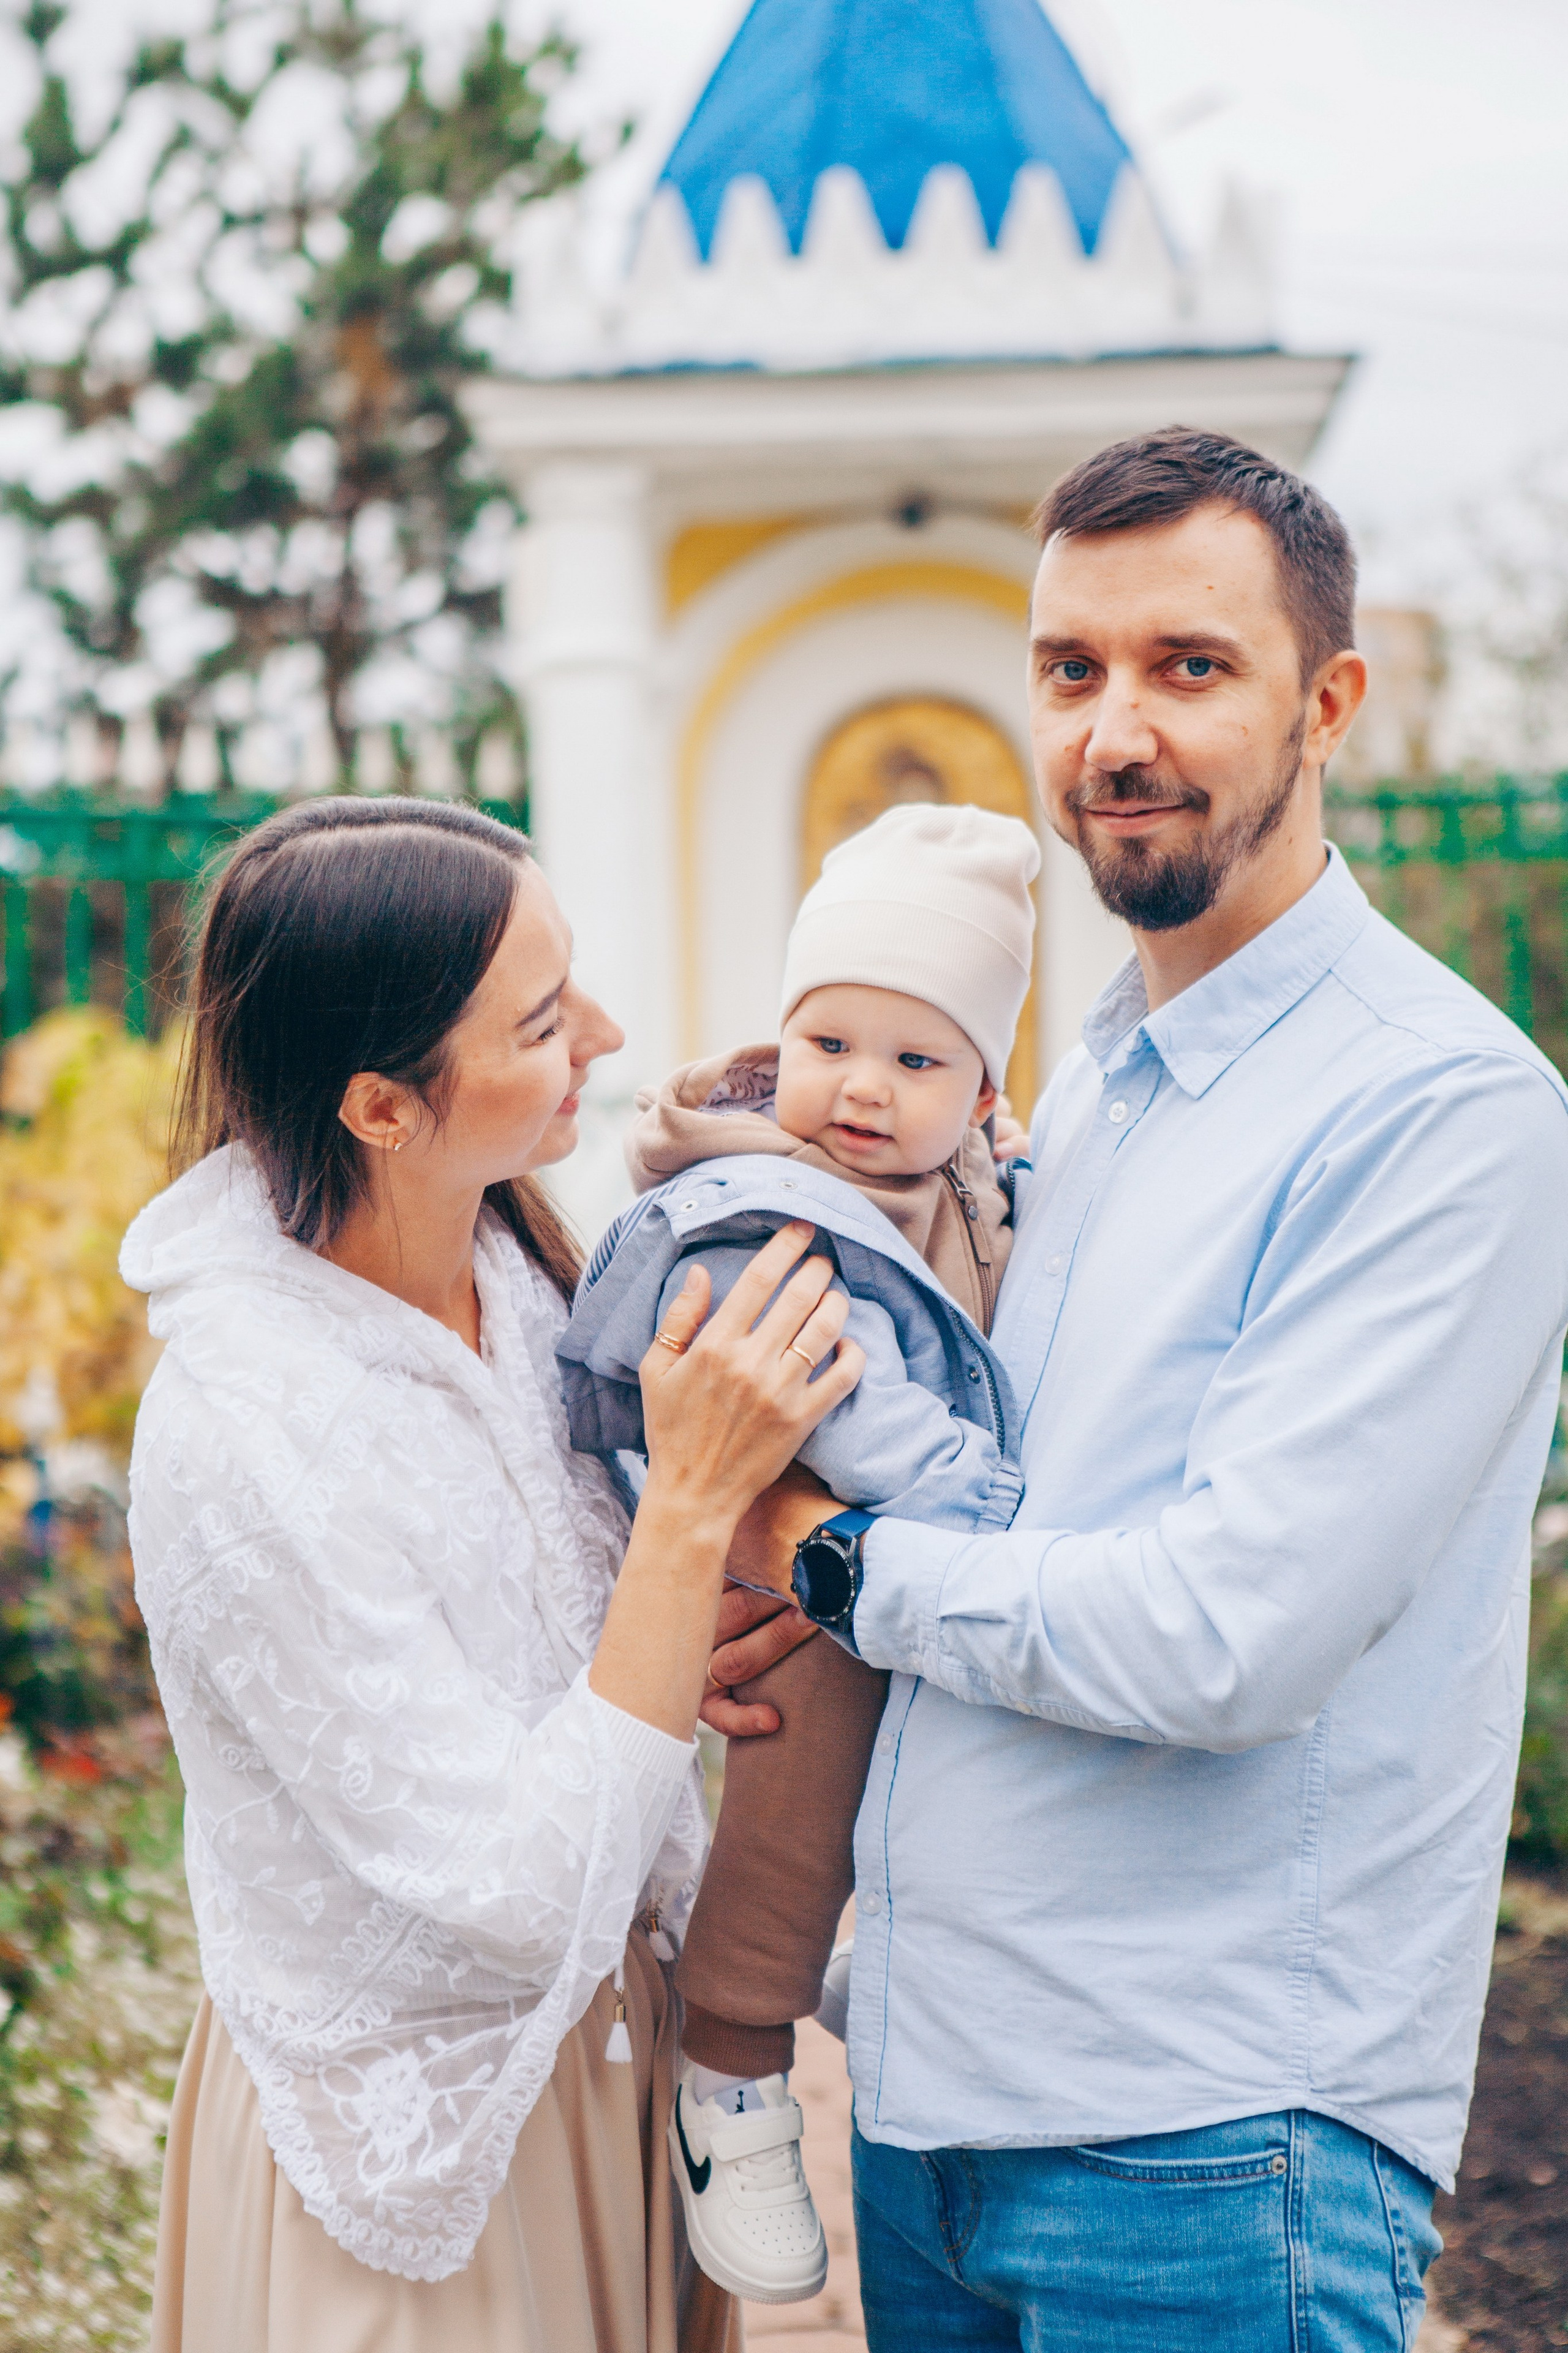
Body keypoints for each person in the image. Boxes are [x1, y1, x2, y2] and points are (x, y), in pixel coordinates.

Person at [709, 428, 1568, 2351]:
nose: (1116, 731)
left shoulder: (1438, 1109)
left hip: (1210, 2141)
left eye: (1192, 667)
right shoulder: (1079, 1086)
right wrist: (748, 1587)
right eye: (1070, 670)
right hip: (936, 2105)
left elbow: (1220, 1634)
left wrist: (829, 1555)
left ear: (1327, 701)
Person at [121, 798, 864, 2353]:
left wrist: (655, 1647)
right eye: (540, 1018)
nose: (599, 1030)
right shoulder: (250, 1428)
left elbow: (552, 1658)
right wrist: (689, 1511)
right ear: (383, 1108)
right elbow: (517, 1893)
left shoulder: (519, 1271)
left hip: (613, 2079)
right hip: (416, 2168)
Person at [559, 803, 1039, 2302]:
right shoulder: (751, 1209)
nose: (864, 1091)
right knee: (800, 1773)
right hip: (795, 1578)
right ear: (778, 1047)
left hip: (897, 1555)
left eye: (918, 1062)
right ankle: (735, 2059)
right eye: (831, 1046)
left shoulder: (950, 1177)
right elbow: (869, 1414)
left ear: (979, 1081)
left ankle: (847, 1961)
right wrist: (1015, 1512)